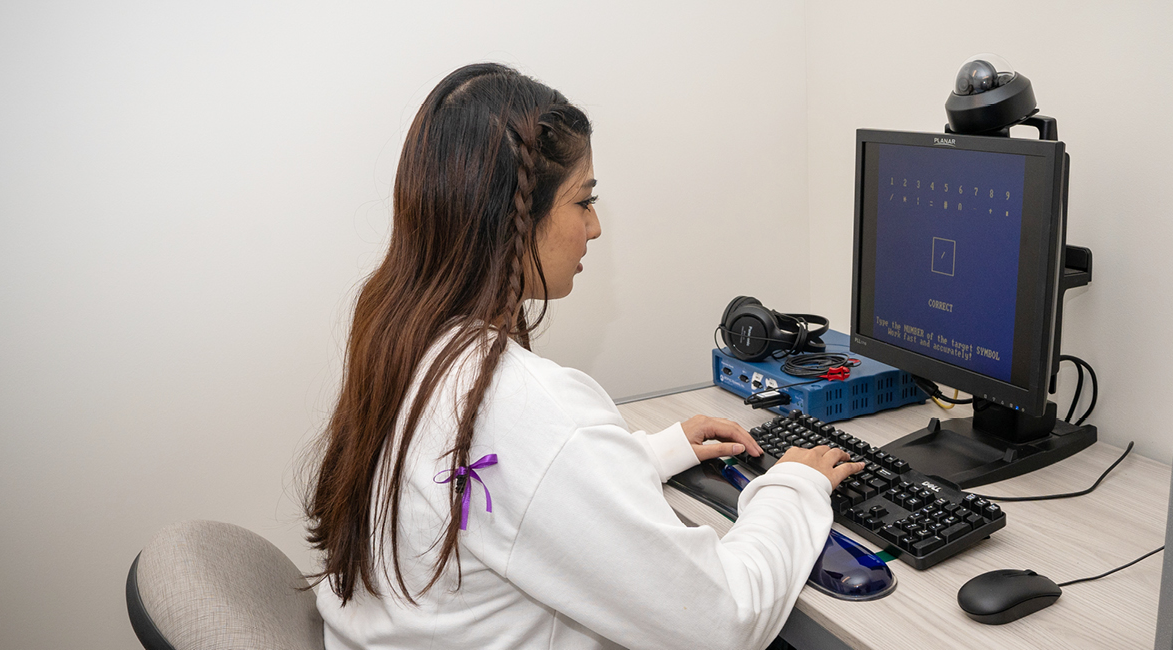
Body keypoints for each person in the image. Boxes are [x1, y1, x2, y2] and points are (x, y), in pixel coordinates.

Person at [304, 63, 864, 650]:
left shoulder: (405, 336)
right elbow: (723, 621)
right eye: (583, 201)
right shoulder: (520, 405)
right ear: (512, 219)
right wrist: (792, 488)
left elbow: (515, 494)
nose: (594, 227)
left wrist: (649, 453)